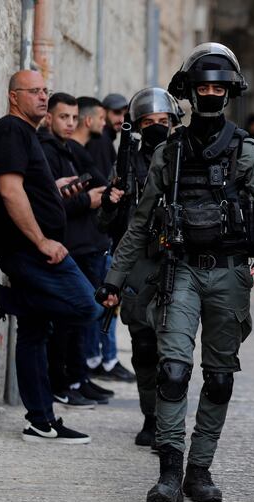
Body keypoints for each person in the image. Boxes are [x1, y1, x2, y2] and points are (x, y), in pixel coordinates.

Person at [98, 43, 254, 502]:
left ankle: (199, 469)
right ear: (190, 91)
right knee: (172, 371)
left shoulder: (244, 151)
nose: (209, 94)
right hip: (179, 272)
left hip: (228, 275)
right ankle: (170, 470)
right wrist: (114, 279)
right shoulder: (171, 153)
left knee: (220, 378)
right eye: (202, 87)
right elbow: (140, 222)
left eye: (217, 88)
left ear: (229, 93)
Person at [0, 69, 98, 443]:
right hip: (28, 248)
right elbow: (10, 192)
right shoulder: (11, 130)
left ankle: (40, 420)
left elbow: (25, 187)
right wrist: (42, 240)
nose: (44, 97)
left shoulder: (27, 135)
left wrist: (53, 188)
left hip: (30, 245)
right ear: (14, 97)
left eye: (46, 90)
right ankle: (0, 299)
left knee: (34, 333)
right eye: (35, 91)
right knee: (86, 306)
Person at [97, 87, 183, 447]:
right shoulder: (128, 163)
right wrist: (111, 202)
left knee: (173, 353)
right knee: (145, 349)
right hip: (137, 264)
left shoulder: (183, 158)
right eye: (149, 122)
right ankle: (151, 415)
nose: (157, 128)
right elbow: (107, 225)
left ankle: (169, 422)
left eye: (163, 122)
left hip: (175, 263)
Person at [39, 93, 114, 407]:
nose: (70, 123)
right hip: (66, 247)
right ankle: (63, 382)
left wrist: (93, 193)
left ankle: (79, 377)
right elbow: (49, 204)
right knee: (65, 322)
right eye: (63, 117)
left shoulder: (70, 149)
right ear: (50, 118)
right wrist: (86, 199)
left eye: (73, 117)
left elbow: (99, 183)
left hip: (85, 245)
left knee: (83, 319)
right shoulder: (46, 150)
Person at [69, 97, 136, 383]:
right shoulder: (98, 144)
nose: (119, 118)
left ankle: (98, 362)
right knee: (100, 302)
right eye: (115, 113)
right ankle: (100, 362)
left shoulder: (101, 142)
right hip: (92, 240)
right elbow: (102, 187)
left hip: (98, 239)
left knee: (103, 303)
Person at [86, 93, 128, 179]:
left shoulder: (105, 138)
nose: (122, 120)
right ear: (103, 112)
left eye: (125, 115)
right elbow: (103, 180)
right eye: (117, 112)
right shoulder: (100, 139)